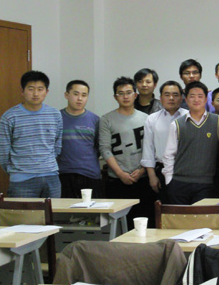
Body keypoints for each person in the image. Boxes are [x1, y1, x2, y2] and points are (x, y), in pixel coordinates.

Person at [0, 71, 63, 198]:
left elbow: (57, 146)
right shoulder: (9, 116)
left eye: (40, 89)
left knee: (53, 211)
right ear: (22, 91)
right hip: (22, 180)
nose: (36, 94)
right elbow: (1, 152)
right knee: (23, 212)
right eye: (31, 89)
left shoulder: (55, 114)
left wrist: (46, 164)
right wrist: (15, 171)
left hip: (51, 176)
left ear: (46, 92)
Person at [163, 81, 219, 204]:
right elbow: (169, 155)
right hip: (179, 183)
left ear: (206, 99)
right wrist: (169, 181)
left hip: (206, 184)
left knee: (202, 216)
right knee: (179, 216)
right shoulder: (176, 124)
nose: (196, 99)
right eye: (192, 96)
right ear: (186, 99)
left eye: (200, 96)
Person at [99, 77, 149, 224]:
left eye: (129, 92)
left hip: (142, 178)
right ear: (115, 97)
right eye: (121, 93)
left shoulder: (146, 118)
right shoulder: (106, 119)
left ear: (135, 95)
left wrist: (142, 170)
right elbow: (105, 149)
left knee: (144, 220)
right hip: (117, 180)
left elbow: (151, 148)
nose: (125, 96)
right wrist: (120, 173)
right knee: (120, 224)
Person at [141, 80, 188, 203]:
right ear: (161, 98)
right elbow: (148, 149)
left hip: (186, 171)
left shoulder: (189, 117)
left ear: (181, 98)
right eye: (167, 95)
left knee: (186, 209)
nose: (171, 98)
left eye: (175, 95)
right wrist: (152, 176)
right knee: (165, 209)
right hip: (162, 170)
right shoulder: (152, 119)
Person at [57, 79, 102, 199]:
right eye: (76, 94)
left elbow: (99, 148)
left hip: (90, 174)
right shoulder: (56, 118)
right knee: (64, 210)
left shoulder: (95, 120)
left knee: (93, 210)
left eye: (84, 95)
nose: (80, 99)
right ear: (66, 95)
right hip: (63, 174)